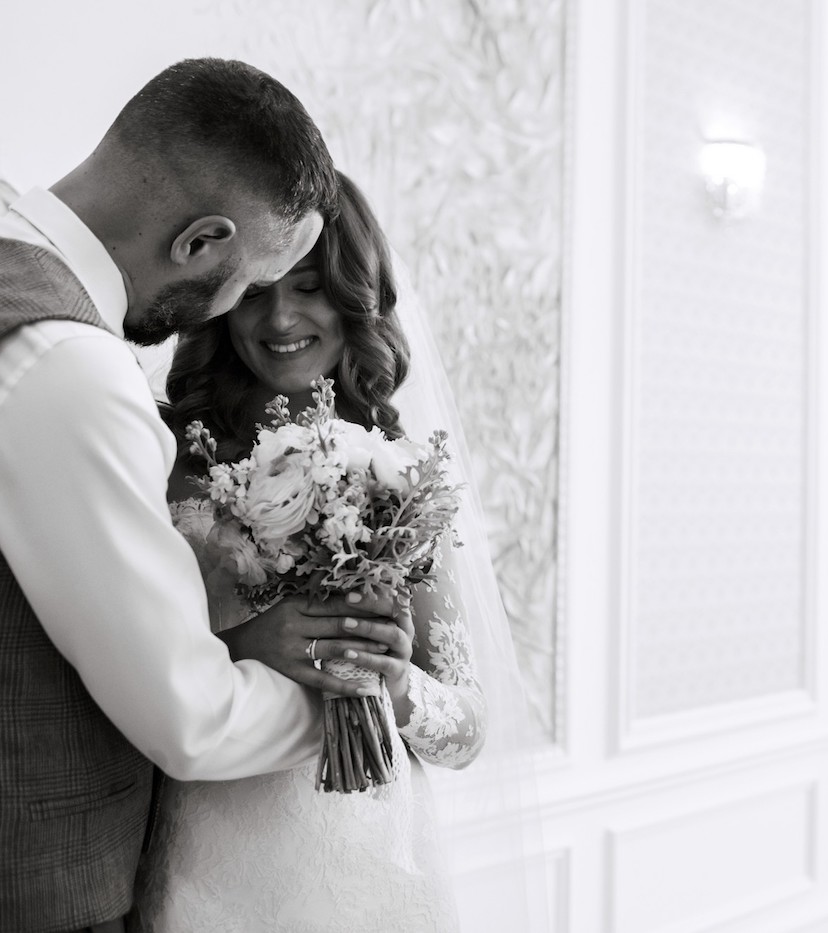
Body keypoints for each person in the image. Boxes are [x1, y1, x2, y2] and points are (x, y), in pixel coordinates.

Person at [0, 59, 409, 932]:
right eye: (252, 282)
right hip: (31, 889)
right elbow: (192, 720)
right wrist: (349, 697)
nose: (249, 313)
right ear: (200, 241)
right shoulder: (72, 369)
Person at [134, 172, 540, 932]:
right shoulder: (167, 459)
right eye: (257, 290)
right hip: (213, 851)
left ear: (355, 297)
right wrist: (241, 645)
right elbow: (123, 659)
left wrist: (394, 683)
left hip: (373, 858)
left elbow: (467, 731)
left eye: (311, 288)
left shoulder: (401, 477)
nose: (280, 317)